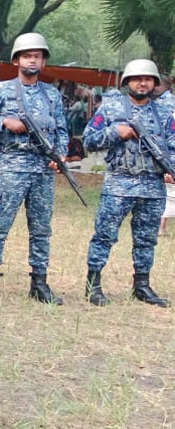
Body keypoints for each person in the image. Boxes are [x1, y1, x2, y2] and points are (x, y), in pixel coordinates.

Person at [0, 32, 69, 305]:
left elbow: (61, 130)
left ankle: (39, 283)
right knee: (0, 225)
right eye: (27, 55)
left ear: (43, 62)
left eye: (37, 56)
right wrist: (4, 122)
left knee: (41, 229)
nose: (32, 60)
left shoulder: (52, 95)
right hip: (12, 166)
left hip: (42, 170)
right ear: (17, 60)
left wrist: (60, 154)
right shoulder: (1, 91)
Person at [82, 59, 175, 307]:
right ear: (127, 82)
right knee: (104, 235)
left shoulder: (165, 114)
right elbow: (88, 141)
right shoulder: (111, 109)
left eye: (147, 79)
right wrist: (115, 132)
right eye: (137, 78)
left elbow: (174, 146)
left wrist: (171, 168)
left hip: (152, 187)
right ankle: (93, 285)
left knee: (146, 239)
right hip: (119, 184)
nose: (142, 82)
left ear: (154, 83)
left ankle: (142, 286)